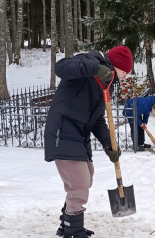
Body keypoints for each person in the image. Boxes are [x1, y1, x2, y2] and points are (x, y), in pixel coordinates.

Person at [44, 45, 133, 238]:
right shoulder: (90, 62)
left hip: (78, 134)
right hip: (63, 128)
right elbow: (61, 67)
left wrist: (109, 144)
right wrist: (94, 68)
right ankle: (73, 230)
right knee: (79, 183)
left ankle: (67, 221)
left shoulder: (103, 84)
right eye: (124, 72)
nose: (125, 77)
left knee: (87, 177)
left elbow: (97, 119)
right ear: (115, 66)